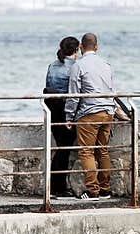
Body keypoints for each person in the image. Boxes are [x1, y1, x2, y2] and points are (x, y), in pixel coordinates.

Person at [65, 33, 115, 200]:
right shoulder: (106, 65)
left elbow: (74, 95)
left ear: (81, 46)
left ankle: (93, 191)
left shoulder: (78, 66)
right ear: (96, 46)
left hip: (90, 113)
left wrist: (69, 116)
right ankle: (105, 189)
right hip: (108, 111)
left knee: (86, 152)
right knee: (103, 151)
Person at [44, 36, 80, 197]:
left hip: (52, 110)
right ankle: (56, 188)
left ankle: (57, 187)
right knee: (64, 149)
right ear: (77, 49)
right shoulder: (75, 67)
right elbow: (75, 93)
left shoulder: (52, 65)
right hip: (66, 111)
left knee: (61, 148)